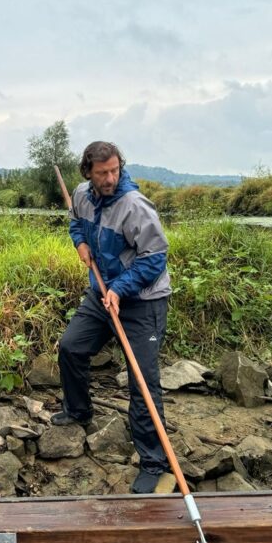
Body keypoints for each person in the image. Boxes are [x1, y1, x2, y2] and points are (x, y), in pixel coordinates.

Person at [54, 141, 172, 494]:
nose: (110, 178)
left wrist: (120, 289)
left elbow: (155, 257)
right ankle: (78, 411)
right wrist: (80, 244)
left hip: (142, 301)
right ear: (87, 173)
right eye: (102, 172)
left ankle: (154, 463)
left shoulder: (134, 205)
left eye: (115, 170)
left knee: (142, 381)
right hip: (101, 294)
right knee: (71, 347)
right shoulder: (82, 194)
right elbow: (76, 222)